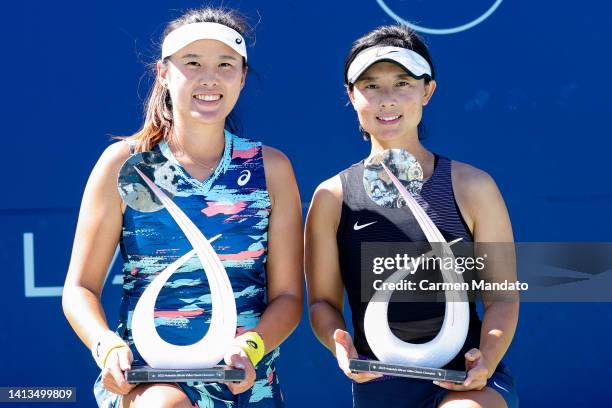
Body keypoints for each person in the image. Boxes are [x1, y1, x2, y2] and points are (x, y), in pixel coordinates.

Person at [62, 7, 302, 408]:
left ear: (242, 77)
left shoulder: (271, 168)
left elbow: (289, 298)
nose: (209, 78)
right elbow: (79, 289)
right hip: (149, 382)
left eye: (225, 65)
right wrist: (105, 347)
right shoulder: (123, 165)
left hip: (245, 384)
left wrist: (252, 346)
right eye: (193, 63)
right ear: (163, 73)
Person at [305, 24, 519, 408]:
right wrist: (340, 346)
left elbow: (502, 295)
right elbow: (322, 302)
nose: (387, 99)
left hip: (466, 383)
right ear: (351, 96)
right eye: (371, 86)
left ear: (427, 90)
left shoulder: (473, 186)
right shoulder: (332, 196)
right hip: (380, 385)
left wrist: (487, 357)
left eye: (402, 83)